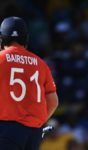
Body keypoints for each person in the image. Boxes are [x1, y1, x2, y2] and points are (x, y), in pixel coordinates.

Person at [0, 16, 59, 150]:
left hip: (6, 129)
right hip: (33, 133)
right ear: (26, 38)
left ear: (2, 38)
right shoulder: (41, 64)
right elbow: (53, 101)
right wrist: (38, 122)